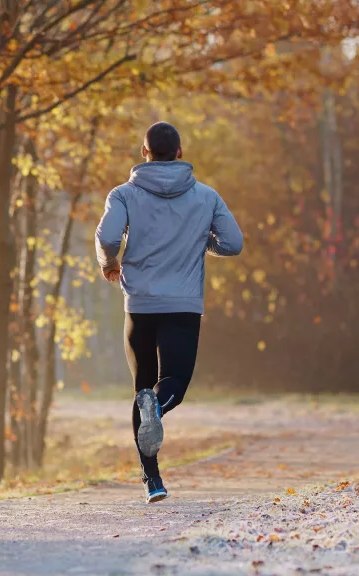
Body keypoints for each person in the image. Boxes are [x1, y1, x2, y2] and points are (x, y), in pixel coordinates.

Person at [95, 121, 243, 503]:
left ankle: (152, 480)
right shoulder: (206, 197)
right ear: (179, 153)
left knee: (142, 386)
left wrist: (109, 263)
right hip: (183, 304)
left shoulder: (123, 194)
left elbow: (108, 237)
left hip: (140, 305)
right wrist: (201, 240)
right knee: (173, 380)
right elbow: (233, 243)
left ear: (144, 154)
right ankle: (157, 407)